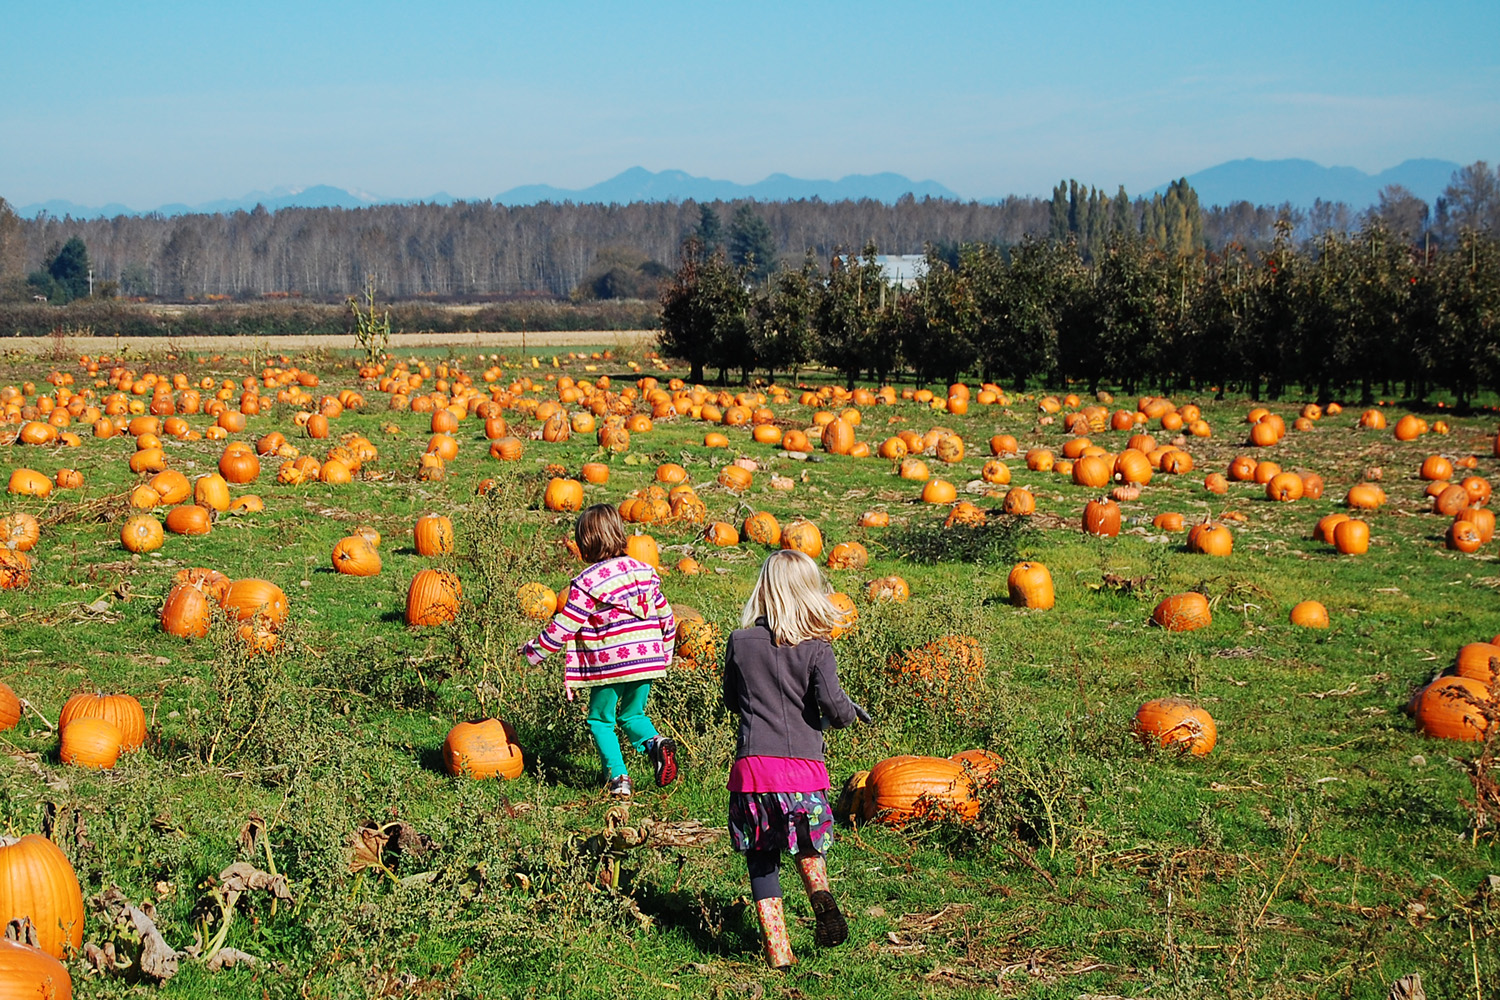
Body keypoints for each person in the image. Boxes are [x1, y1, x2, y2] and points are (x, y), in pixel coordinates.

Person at [722, 549, 870, 970]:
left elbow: (732, 700)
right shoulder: (817, 649)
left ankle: (779, 953)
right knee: (806, 843)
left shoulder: (740, 641)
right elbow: (835, 709)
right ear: (810, 594)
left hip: (752, 772)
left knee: (761, 856)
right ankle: (819, 893)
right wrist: (847, 712)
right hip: (803, 774)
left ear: (765, 590)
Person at [521, 504, 677, 797]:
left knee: (600, 719)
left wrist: (534, 651)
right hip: (647, 660)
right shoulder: (645, 572)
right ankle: (656, 743)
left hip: (611, 664)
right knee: (633, 715)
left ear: (584, 545)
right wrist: (665, 654)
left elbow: (565, 625)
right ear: (619, 534)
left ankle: (619, 779)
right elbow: (666, 616)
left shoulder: (587, 582)